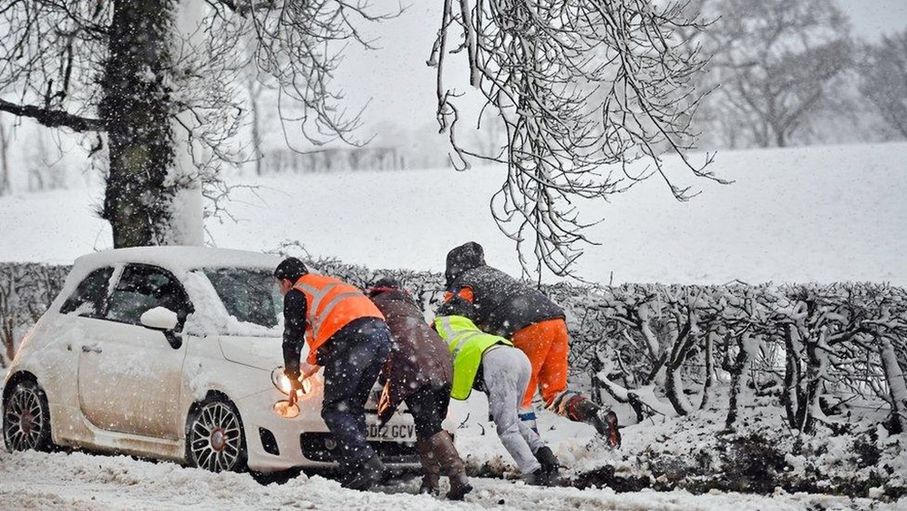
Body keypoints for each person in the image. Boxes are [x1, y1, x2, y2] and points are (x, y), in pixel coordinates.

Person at [444, 242, 621, 449]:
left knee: (519, 401)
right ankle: (596, 414)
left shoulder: (466, 283)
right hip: (556, 322)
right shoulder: (495, 275)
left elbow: (450, 320)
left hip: (526, 328)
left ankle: (539, 457)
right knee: (555, 394)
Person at [275, 257, 391, 491]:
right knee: (352, 406)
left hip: (354, 338)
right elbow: (331, 332)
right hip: (381, 336)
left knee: (334, 408)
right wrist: (310, 367)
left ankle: (367, 462)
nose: (281, 291)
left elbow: (292, 337)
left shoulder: (297, 292)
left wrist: (292, 372)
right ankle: (356, 473)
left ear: (286, 281)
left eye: (280, 286)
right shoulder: (325, 284)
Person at [366, 277, 472, 500]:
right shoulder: (411, 306)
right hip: (442, 360)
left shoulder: (375, 306)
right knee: (428, 423)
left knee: (429, 424)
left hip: (414, 364)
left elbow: (381, 343)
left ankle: (458, 474)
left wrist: (383, 376)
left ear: (376, 292)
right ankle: (430, 482)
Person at [434, 298, 559, 485]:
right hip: (517, 356)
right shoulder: (468, 326)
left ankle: (533, 471)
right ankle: (544, 454)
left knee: (506, 428)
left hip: (497, 362)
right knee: (512, 419)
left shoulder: (438, 328)